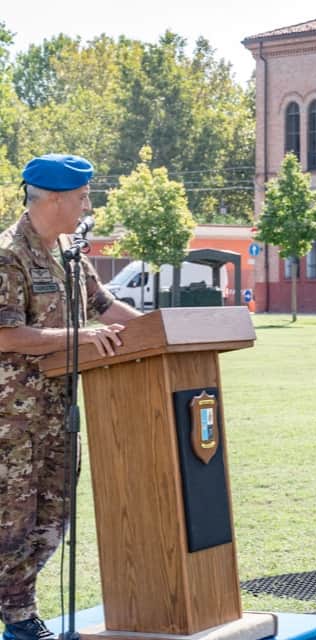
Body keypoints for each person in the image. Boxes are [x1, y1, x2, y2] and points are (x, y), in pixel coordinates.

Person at [0, 154, 140, 640]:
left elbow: (105, 307)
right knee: (11, 521)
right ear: (55, 199)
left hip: (62, 413)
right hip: (12, 420)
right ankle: (20, 617)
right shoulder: (8, 254)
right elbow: (7, 334)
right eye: (81, 197)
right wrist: (80, 335)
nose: (87, 205)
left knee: (52, 519)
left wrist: (159, 328)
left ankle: (17, 606)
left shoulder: (70, 253)